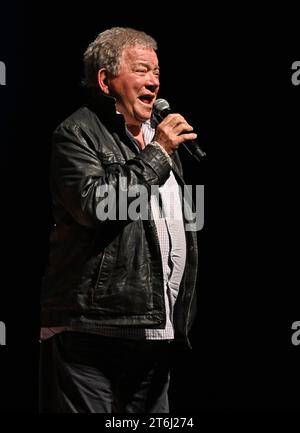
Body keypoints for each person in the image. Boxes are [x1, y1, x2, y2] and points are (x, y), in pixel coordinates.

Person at [39, 26, 199, 413]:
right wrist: (158, 152)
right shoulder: (77, 133)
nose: (154, 82)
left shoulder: (156, 140)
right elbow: (98, 205)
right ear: (105, 80)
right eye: (143, 70)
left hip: (155, 330)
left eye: (157, 72)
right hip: (91, 333)